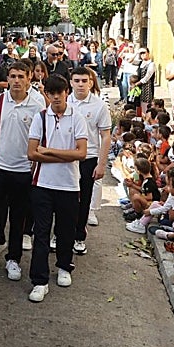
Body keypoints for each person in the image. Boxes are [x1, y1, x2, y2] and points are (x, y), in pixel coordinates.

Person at [0, 61, 46, 280]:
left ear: (29, 79)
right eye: (12, 76)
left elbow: (42, 140)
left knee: (19, 217)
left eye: (21, 76)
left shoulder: (37, 105)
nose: (16, 81)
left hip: (24, 169)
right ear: (7, 78)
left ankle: (13, 258)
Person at [26, 76, 88, 303]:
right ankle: (39, 280)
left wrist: (49, 152)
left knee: (66, 230)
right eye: (51, 93)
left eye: (59, 92)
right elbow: (32, 153)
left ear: (66, 92)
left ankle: (64, 266)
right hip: (42, 184)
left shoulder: (77, 118)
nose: (55, 97)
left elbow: (81, 154)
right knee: (41, 233)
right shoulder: (40, 118)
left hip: (69, 185)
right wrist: (64, 156)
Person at [69, 67, 111, 255]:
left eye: (84, 81)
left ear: (90, 83)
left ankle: (79, 236)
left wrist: (101, 164)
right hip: (65, 157)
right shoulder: (64, 101)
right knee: (63, 198)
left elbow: (106, 136)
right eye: (76, 80)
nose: (80, 84)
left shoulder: (99, 105)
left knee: (84, 199)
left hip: (88, 157)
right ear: (71, 82)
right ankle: (60, 233)